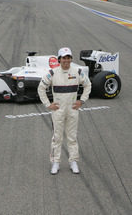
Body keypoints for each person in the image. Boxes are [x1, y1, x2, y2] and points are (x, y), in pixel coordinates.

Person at [38, 47, 92, 175]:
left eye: (68, 57)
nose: (66, 60)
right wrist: (48, 104)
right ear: (59, 59)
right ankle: (55, 162)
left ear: (71, 59)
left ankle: (73, 161)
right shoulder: (52, 73)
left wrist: (82, 100)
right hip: (58, 111)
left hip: (73, 110)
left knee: (72, 137)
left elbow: (88, 85)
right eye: (64, 58)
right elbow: (41, 88)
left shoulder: (77, 72)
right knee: (57, 138)